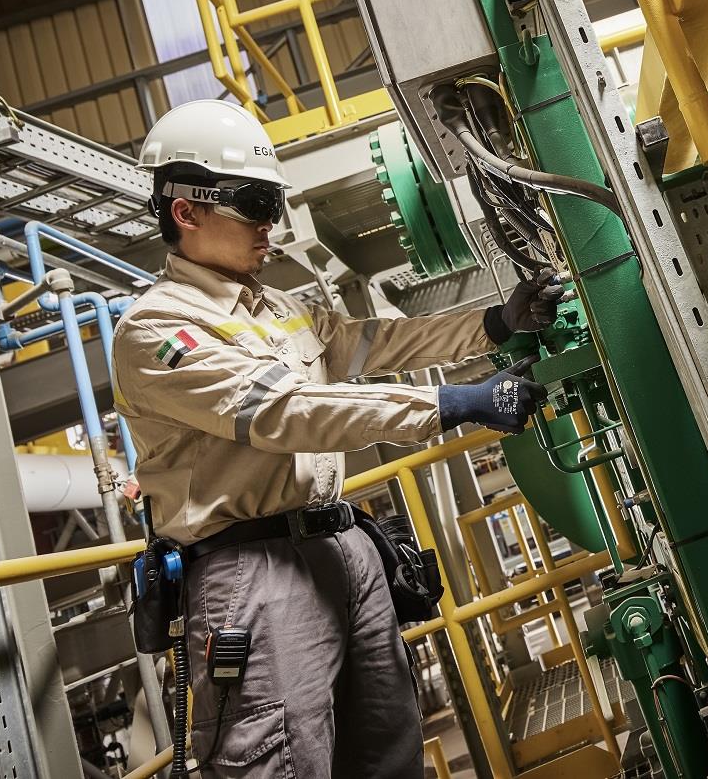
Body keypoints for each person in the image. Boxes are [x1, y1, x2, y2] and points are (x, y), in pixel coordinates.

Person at [111, 99, 565, 777]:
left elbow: (374, 343)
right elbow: (284, 412)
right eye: (254, 204)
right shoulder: (156, 331)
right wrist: (452, 403)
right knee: (282, 759)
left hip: (340, 547)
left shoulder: (278, 308)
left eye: (273, 204)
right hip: (253, 569)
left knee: (389, 749)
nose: (270, 224)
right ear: (187, 210)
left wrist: (495, 324)